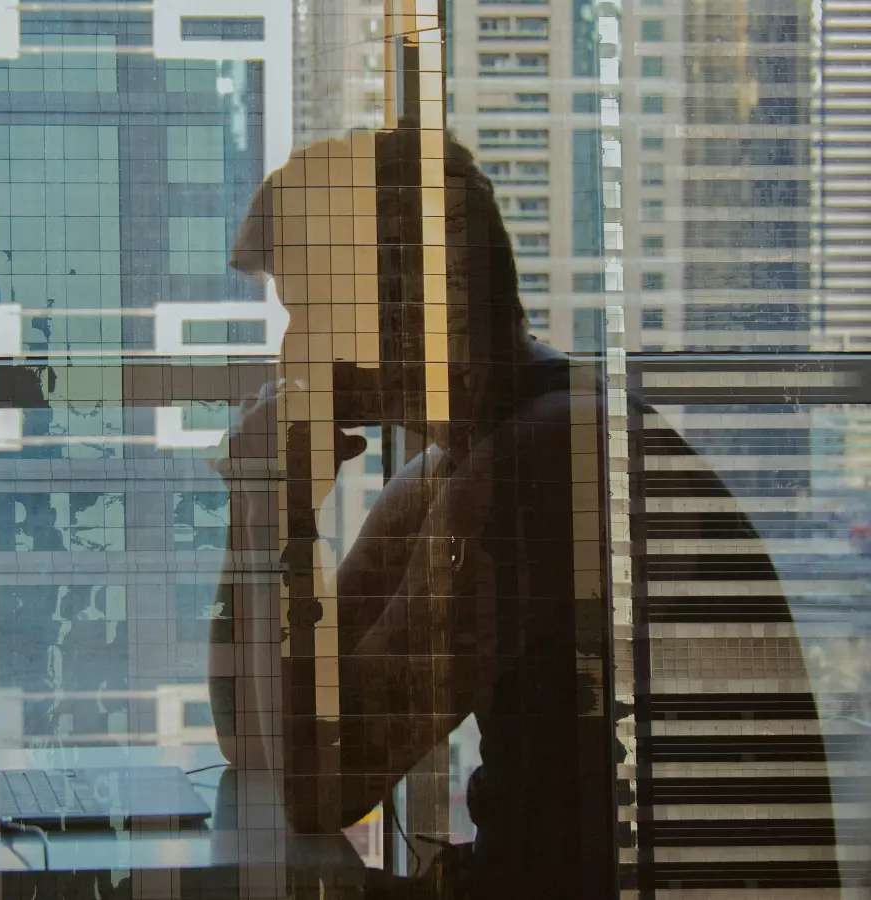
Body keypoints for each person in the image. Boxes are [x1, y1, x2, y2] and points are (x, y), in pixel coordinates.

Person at [208, 127, 819, 898]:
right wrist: (255, 513)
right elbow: (254, 742)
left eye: (314, 311)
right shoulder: (454, 468)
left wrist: (271, 518)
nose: (293, 354)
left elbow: (316, 784)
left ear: (408, 297)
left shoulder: (542, 462)